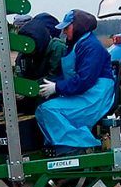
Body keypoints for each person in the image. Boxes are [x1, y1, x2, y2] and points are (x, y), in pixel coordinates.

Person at [35, 9, 115, 155]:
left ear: (78, 26)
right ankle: (64, 145)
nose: (64, 32)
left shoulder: (91, 47)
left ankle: (80, 146)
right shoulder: (78, 44)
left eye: (67, 28)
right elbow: (70, 76)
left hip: (95, 97)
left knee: (48, 110)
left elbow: (84, 80)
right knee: (46, 108)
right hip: (85, 93)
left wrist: (57, 88)